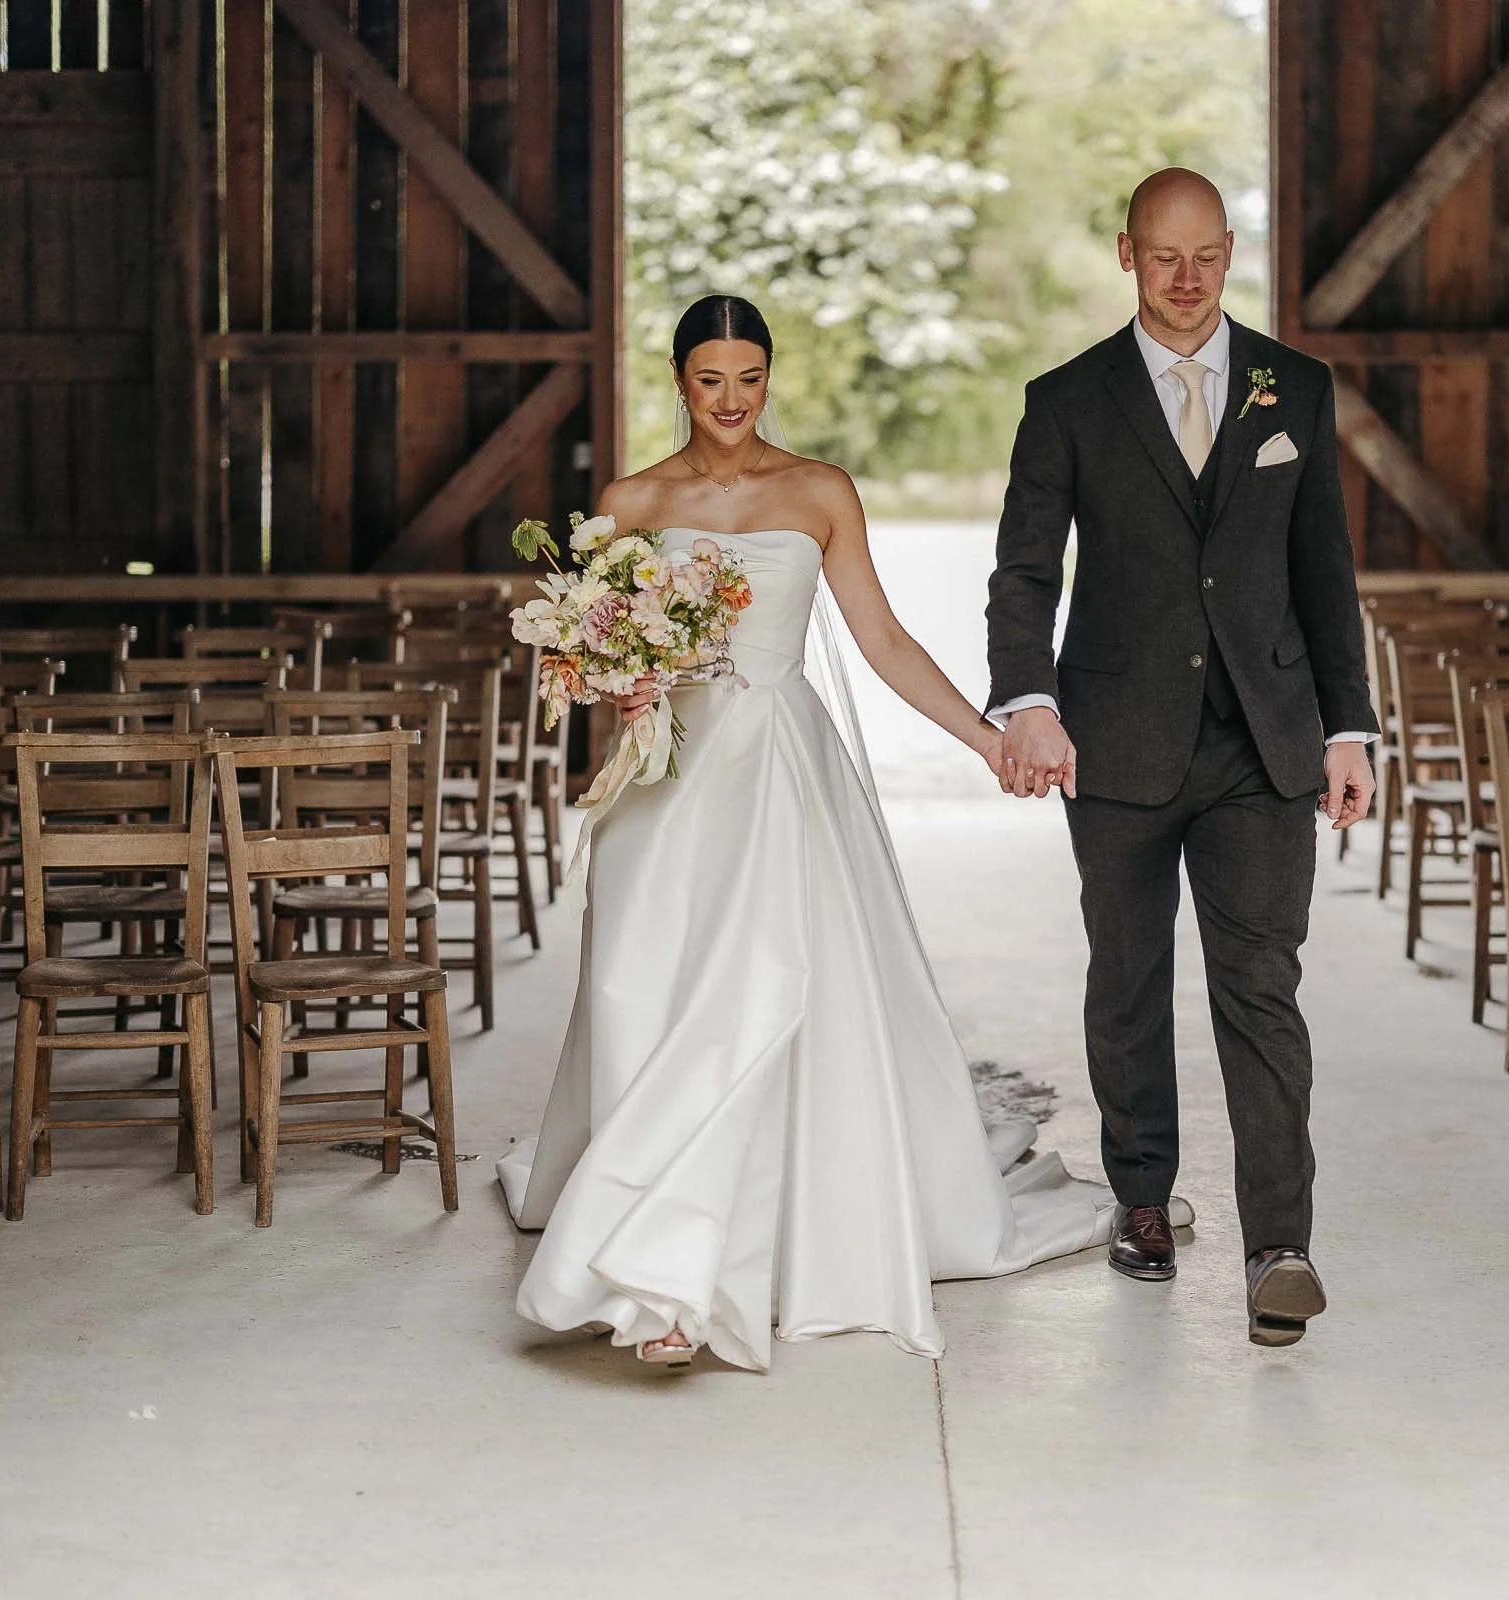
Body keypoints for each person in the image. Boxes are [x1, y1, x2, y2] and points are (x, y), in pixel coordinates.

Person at [497, 294, 1185, 1372]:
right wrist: (618, 685)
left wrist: (988, 736)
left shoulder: (817, 492)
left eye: (750, 377)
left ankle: (679, 1278)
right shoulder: (632, 498)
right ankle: (652, 1231)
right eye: (711, 379)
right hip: (664, 787)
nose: (731, 400)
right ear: (679, 381)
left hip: (777, 776)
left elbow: (882, 640)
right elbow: (581, 650)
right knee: (650, 995)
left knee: (756, 996)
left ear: (769, 378)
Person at [985, 168, 1377, 1347]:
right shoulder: (1067, 399)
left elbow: (1323, 574)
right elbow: (1022, 573)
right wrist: (1027, 700)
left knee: (1260, 989)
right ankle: (1142, 1200)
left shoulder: (1290, 388)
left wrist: (1347, 728)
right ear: (1124, 254)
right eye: (1163, 256)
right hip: (1114, 742)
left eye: (1206, 254)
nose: (1188, 277)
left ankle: (1279, 1245)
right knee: (1128, 980)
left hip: (1264, 743)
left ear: (1225, 253)